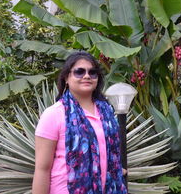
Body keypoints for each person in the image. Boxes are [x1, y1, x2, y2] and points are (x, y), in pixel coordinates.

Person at [32, 51, 127, 194]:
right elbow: (42, 169)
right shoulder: (54, 114)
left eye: (92, 72)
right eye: (79, 72)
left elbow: (109, 156)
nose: (87, 76)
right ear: (66, 78)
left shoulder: (106, 112)